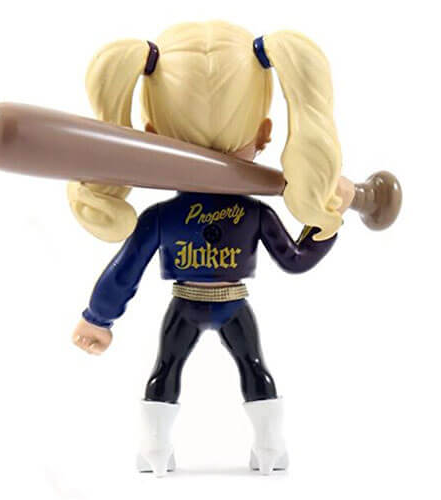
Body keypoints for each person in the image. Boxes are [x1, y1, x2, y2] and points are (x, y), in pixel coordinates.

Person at [70, 21, 354, 476]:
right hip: (232, 306)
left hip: (185, 305)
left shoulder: (162, 217)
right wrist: (326, 224)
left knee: (168, 368)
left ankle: (157, 449)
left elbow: (125, 270)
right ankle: (267, 447)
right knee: (251, 366)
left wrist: (98, 317)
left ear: (152, 133)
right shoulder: (254, 214)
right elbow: (295, 260)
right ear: (264, 133)